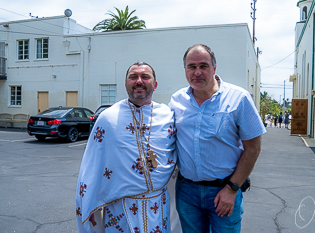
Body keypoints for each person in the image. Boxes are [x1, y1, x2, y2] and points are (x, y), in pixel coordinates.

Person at [169, 44, 267, 232]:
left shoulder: (239, 98)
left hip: (225, 190)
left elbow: (253, 148)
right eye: (192, 66)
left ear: (214, 67)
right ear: (185, 70)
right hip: (187, 192)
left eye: (203, 66)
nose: (197, 72)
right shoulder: (176, 101)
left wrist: (232, 189)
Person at [76, 62, 177, 233]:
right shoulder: (108, 118)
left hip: (158, 204)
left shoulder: (167, 115)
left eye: (145, 77)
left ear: (155, 84)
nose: (139, 81)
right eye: (133, 77)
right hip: (120, 206)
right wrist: (90, 202)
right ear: (125, 83)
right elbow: (93, 163)